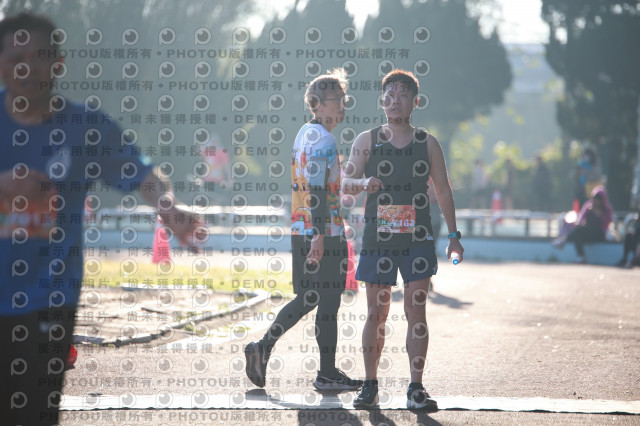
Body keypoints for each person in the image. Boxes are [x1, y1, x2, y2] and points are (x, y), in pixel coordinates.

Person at [0, 13, 202, 425]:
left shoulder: (85, 126)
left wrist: (168, 207)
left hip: (50, 298)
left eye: (39, 57)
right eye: (16, 58)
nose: (27, 68)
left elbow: (141, 173)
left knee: (35, 412)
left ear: (58, 63)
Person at [341, 70, 464, 410]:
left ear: (415, 102)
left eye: (402, 95)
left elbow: (443, 190)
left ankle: (416, 388)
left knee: (416, 310)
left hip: (417, 239)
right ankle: (369, 385)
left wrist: (454, 236)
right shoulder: (366, 140)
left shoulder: (427, 143)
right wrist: (363, 183)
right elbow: (346, 182)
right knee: (376, 313)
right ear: (382, 101)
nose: (395, 101)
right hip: (377, 239)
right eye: (390, 95)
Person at [244, 69, 362, 391]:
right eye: (337, 100)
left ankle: (264, 348)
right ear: (316, 103)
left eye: (344, 100)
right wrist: (320, 236)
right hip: (323, 232)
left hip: (303, 228)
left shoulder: (304, 134)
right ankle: (325, 373)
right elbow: (317, 190)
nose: (343, 106)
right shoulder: (324, 139)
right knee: (328, 302)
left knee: (310, 298)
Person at [552, 186, 613, 264]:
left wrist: (599, 215)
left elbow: (607, 223)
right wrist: (581, 221)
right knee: (578, 233)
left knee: (579, 231)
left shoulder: (607, 209)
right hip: (587, 231)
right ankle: (581, 256)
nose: (596, 200)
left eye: (599, 198)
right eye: (595, 198)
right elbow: (580, 218)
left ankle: (563, 240)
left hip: (599, 233)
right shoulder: (588, 206)